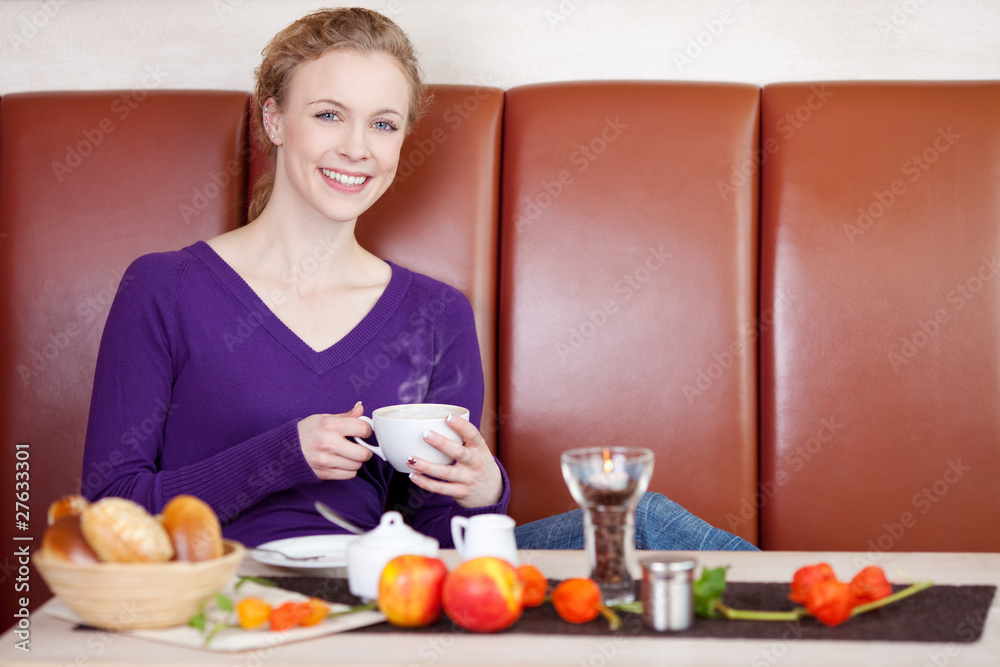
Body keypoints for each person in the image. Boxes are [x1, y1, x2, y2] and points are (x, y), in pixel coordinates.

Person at [81, 7, 755, 553]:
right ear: (273, 120)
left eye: (383, 124)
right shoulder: (165, 288)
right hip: (227, 598)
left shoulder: (436, 315)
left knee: (648, 521)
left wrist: (481, 488)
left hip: (387, 597)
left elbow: (435, 534)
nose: (356, 147)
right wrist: (282, 454)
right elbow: (108, 506)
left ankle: (843, 627)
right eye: (328, 114)